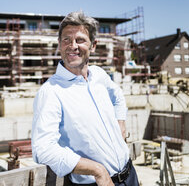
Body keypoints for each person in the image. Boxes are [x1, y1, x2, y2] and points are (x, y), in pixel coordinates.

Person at [31, 11, 139, 185]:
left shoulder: (99, 75)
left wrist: (121, 123)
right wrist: (97, 170)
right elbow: (43, 149)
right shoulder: (51, 91)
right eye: (66, 39)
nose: (72, 45)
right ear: (59, 44)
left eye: (80, 40)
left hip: (130, 175)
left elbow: (117, 96)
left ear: (93, 45)